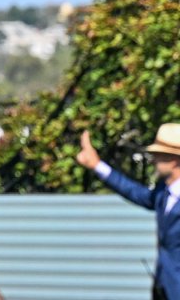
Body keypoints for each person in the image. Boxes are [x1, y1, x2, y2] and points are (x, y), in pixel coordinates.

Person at [77, 125, 180, 299]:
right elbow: (135, 192)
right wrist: (97, 165)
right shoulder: (163, 192)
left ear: (174, 160)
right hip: (164, 287)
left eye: (159, 155)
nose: (154, 160)